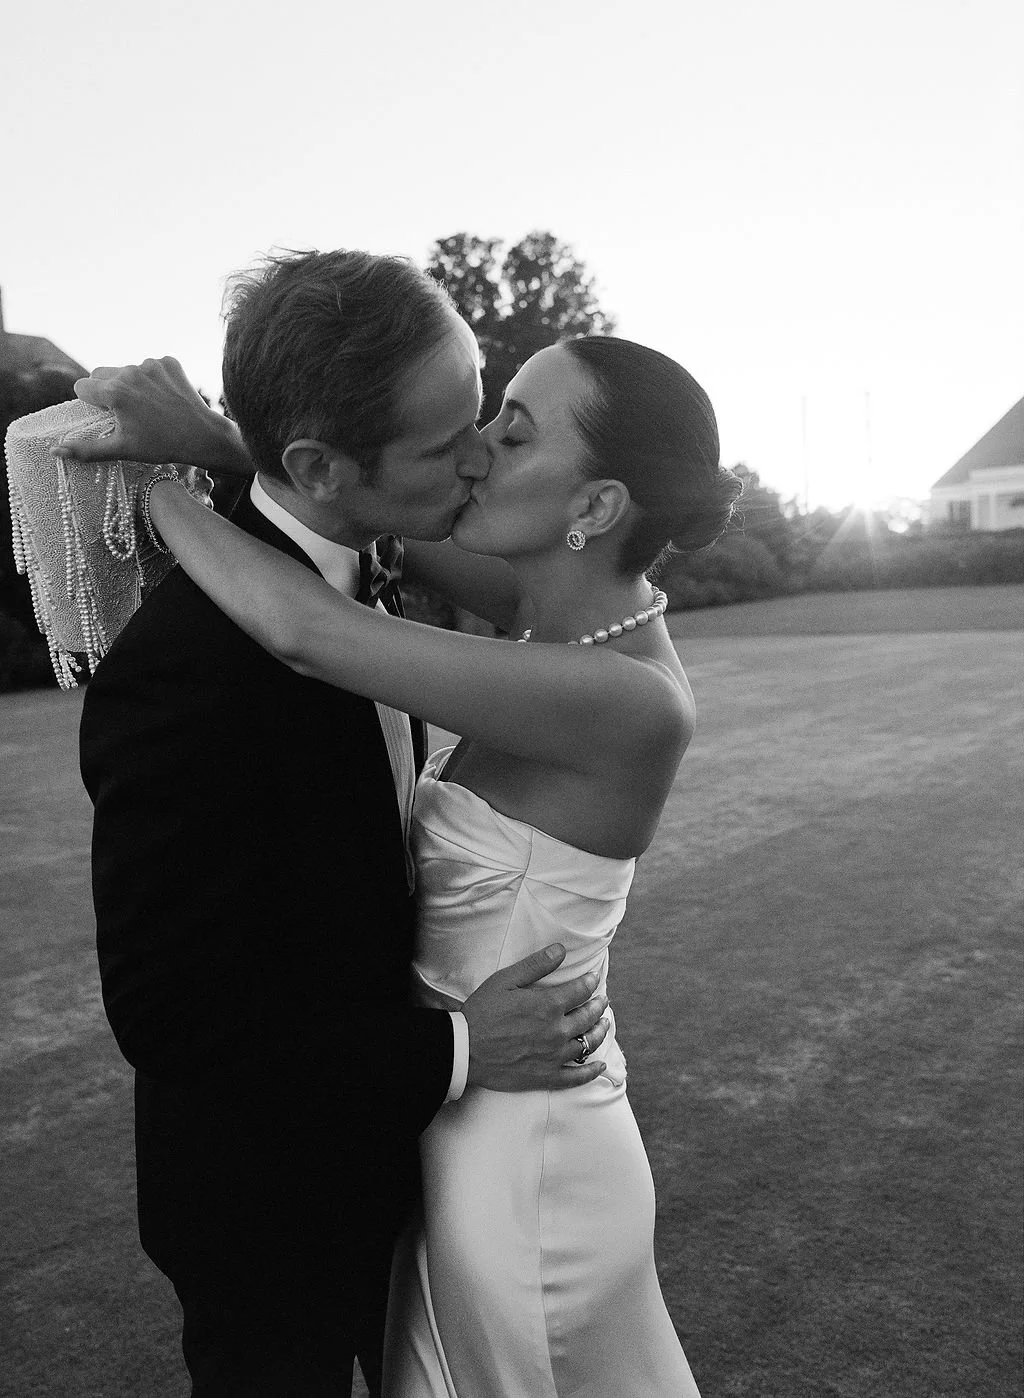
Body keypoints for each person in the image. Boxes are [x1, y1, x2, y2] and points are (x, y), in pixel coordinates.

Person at [65, 311, 741, 1395]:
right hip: (446, 1125)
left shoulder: (625, 701)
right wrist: (233, 442)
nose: (476, 452)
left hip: (529, 1160)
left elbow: (309, 631)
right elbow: (348, 503)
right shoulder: (547, 612)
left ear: (596, 506)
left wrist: (151, 484)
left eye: (511, 434)